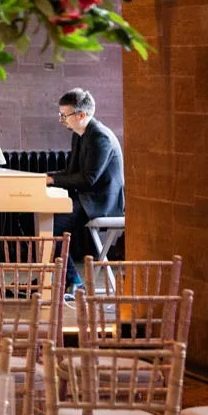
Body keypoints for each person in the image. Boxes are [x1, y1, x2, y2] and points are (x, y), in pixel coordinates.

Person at [49, 86, 124, 293]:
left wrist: (52, 180)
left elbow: (88, 179)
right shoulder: (79, 134)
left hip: (101, 202)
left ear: (81, 115)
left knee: (51, 227)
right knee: (46, 221)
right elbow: (71, 171)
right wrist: (46, 177)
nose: (61, 120)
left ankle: (73, 280)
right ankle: (57, 276)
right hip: (87, 197)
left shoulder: (100, 137)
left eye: (64, 115)